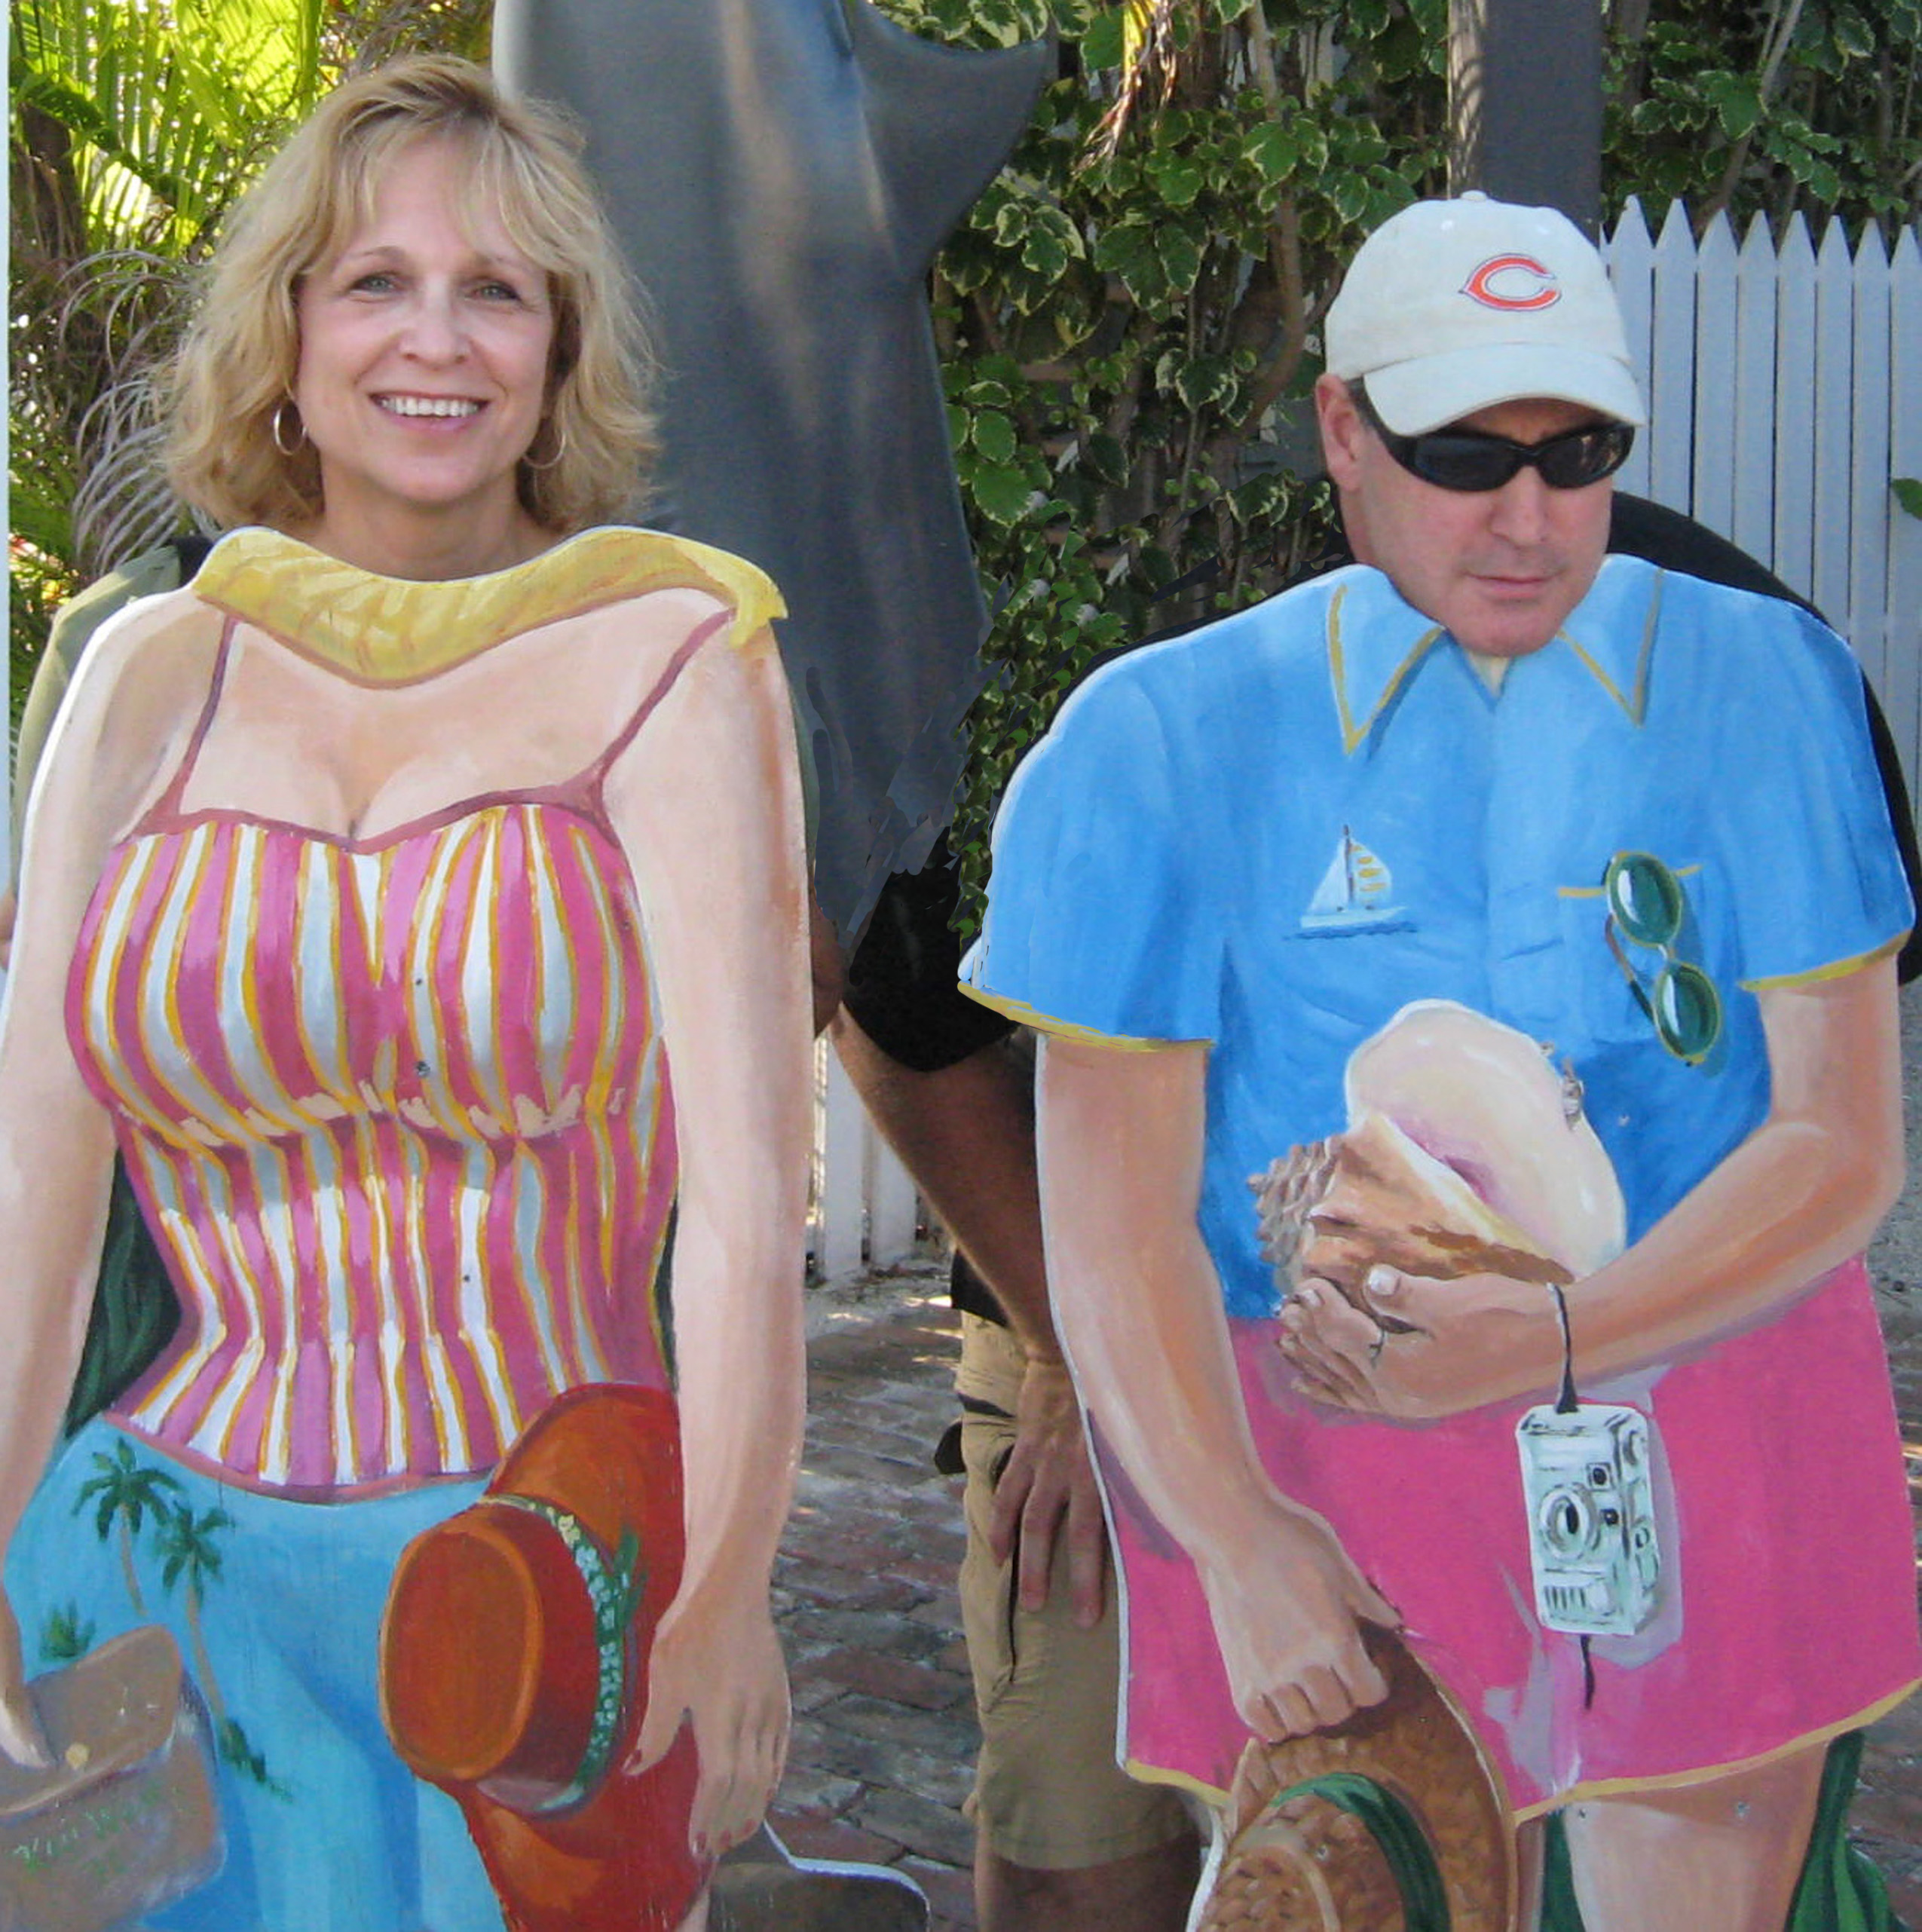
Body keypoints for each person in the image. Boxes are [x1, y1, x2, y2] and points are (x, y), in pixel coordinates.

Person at [956, 192, 1920, 1930]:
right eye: (1464, 453)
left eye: (1579, 452)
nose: (1528, 514)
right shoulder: (1150, 742)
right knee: (1369, 1878)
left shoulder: (1768, 683)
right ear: (1343, 428)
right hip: (1328, 1453)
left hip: (1713, 1405)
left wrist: (1553, 1336)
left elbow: (1843, 1140)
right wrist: (1235, 1534)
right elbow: (1114, 1219)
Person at [0, 55, 811, 1932]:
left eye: (495, 290)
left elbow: (747, 1201)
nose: (434, 338)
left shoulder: (675, 655)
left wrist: (727, 1583)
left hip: (544, 1611)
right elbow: (32, 1195)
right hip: (129, 1573)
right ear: (287, 337)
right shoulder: (144, 675)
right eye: (376, 281)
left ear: (558, 351)